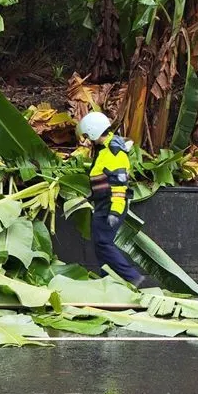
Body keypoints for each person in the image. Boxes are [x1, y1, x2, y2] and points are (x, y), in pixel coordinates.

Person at [77, 111, 145, 285]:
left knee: (103, 243)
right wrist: (93, 195)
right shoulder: (104, 150)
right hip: (102, 203)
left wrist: (115, 210)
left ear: (93, 131)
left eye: (87, 135)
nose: (87, 140)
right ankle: (107, 280)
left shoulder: (114, 153)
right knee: (100, 245)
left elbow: (119, 184)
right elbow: (103, 178)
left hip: (111, 205)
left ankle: (132, 277)